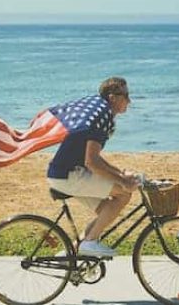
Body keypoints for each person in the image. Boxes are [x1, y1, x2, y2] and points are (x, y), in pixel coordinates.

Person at [46, 77, 138, 257]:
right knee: (124, 193)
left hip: (66, 173)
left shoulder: (99, 111)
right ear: (113, 97)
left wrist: (120, 174)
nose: (129, 100)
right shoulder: (100, 118)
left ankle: (73, 252)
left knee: (107, 209)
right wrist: (123, 182)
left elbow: (95, 160)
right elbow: (92, 163)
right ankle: (89, 243)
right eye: (125, 95)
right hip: (69, 176)